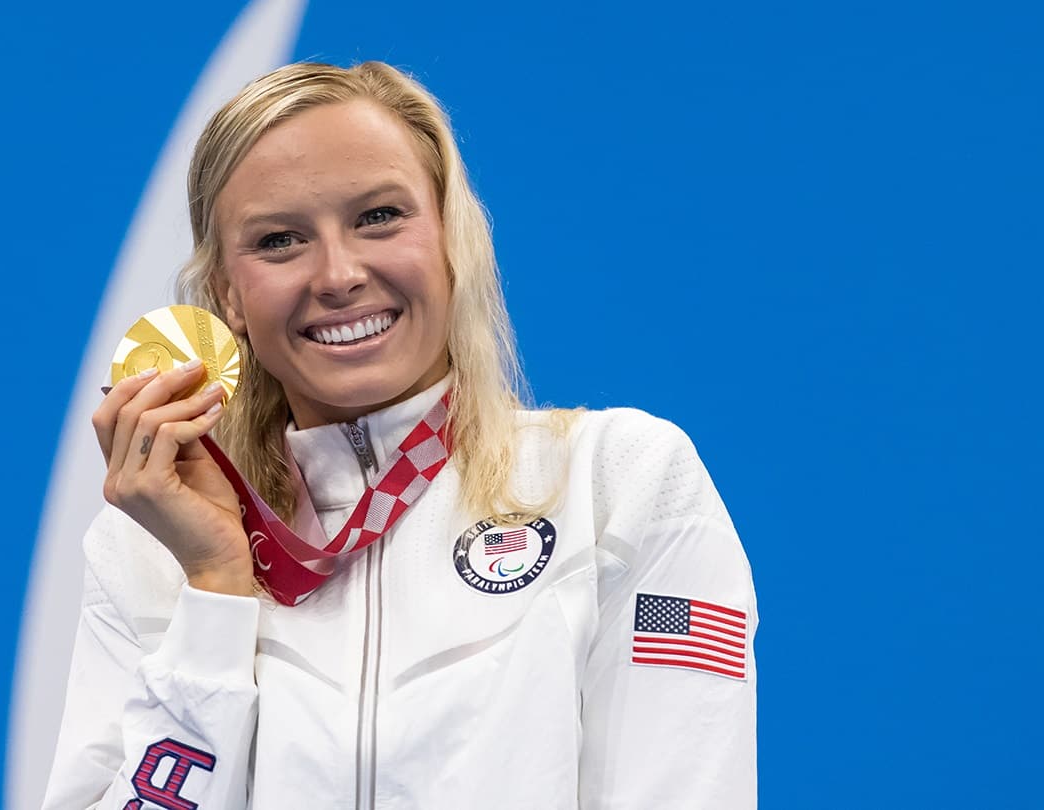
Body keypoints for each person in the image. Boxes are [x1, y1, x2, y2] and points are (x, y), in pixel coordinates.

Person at [42, 61, 757, 810]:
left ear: (454, 241)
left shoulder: (618, 484)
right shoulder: (148, 550)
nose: (338, 273)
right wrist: (216, 590)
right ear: (230, 296)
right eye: (280, 240)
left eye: (379, 216)